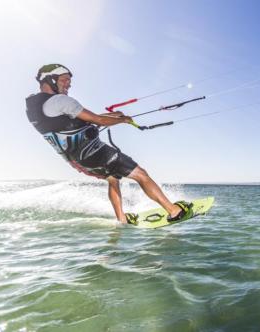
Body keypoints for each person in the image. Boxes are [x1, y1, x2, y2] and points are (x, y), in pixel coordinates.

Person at [26, 64, 191, 224]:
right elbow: (98, 120)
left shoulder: (35, 107)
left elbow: (76, 121)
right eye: (64, 79)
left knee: (113, 179)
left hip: (77, 160)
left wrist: (113, 116)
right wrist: (123, 119)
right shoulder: (60, 100)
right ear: (50, 79)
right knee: (141, 174)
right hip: (95, 152)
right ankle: (174, 211)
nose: (69, 84)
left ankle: (122, 219)